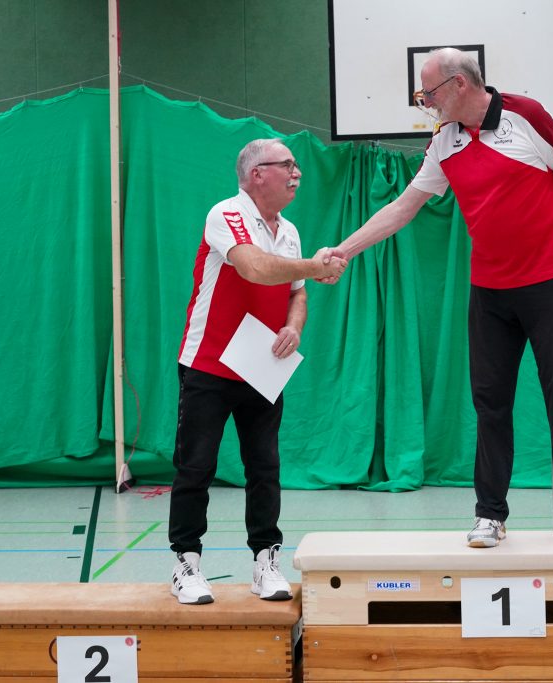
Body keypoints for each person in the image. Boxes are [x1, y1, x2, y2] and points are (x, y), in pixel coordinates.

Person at [327, 48, 553, 550]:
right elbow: (404, 207)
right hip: (490, 292)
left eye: (428, 92)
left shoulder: (527, 115)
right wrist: (343, 250)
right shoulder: (444, 141)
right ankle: (490, 514)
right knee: (490, 405)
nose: (424, 102)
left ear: (458, 84)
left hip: (551, 284)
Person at [169, 138, 347, 605]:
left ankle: (265, 561)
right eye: (287, 164)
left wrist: (294, 326)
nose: (297, 172)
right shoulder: (226, 213)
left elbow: (296, 292)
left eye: (297, 165)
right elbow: (253, 267)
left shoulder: (289, 231)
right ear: (256, 174)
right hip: (208, 364)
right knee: (196, 466)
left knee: (265, 468)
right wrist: (316, 266)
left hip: (261, 366)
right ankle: (186, 562)